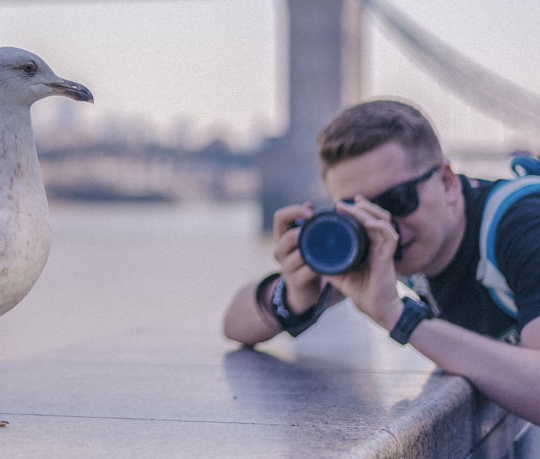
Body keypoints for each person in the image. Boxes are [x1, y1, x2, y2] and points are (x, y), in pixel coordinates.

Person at [222, 99, 540, 425]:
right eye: (359, 213)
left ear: (446, 182)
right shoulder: (384, 244)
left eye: (398, 200)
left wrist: (398, 317)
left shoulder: (523, 226)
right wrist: (294, 296)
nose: (383, 226)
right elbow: (236, 324)